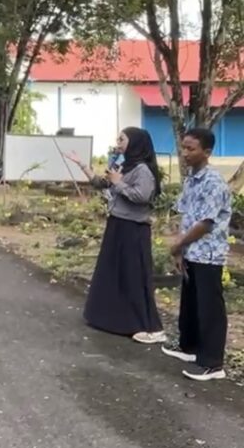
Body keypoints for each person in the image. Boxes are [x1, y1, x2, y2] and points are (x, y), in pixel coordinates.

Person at [66, 127, 165, 344]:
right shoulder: (124, 165)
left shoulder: (143, 170)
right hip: (118, 224)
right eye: (118, 139)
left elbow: (142, 196)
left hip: (134, 229)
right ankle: (114, 320)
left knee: (134, 276)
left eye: (122, 139)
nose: (118, 142)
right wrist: (82, 164)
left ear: (136, 143)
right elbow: (102, 184)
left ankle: (147, 325)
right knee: (114, 274)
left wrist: (119, 181)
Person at [162, 128, 232, 381]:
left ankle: (213, 363)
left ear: (207, 152)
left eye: (191, 148)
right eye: (183, 147)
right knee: (190, 302)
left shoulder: (214, 183)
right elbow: (185, 213)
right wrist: (180, 249)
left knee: (209, 307)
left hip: (209, 254)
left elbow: (206, 223)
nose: (185, 153)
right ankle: (189, 347)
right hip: (191, 251)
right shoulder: (191, 178)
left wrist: (178, 243)